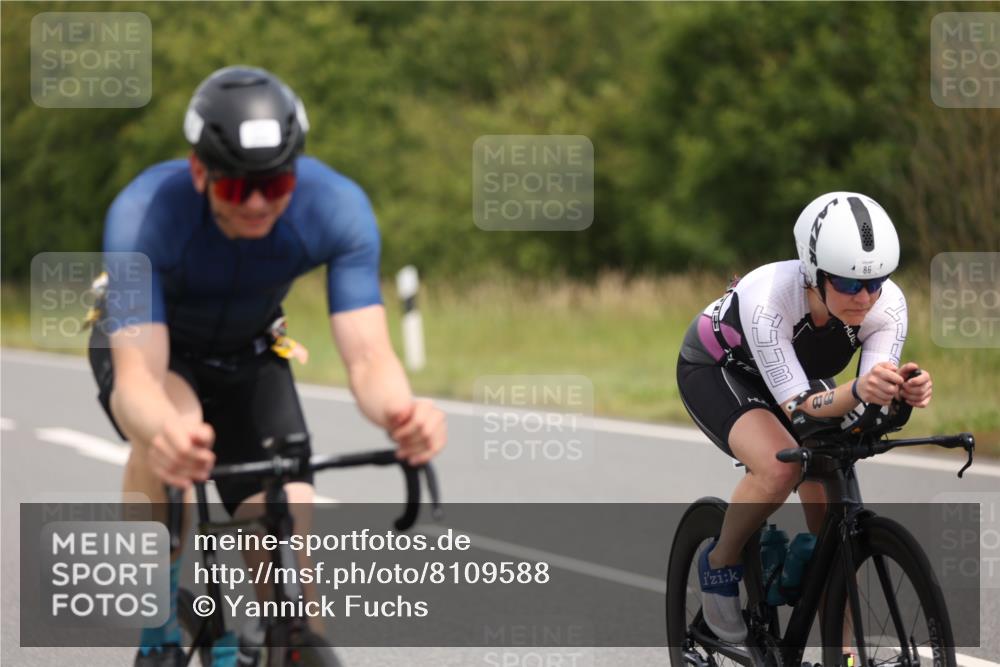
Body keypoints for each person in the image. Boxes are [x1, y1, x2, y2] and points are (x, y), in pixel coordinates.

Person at [87, 66, 447, 667]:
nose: (257, 203)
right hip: (149, 348)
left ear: (296, 173)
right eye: (234, 189)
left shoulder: (337, 207)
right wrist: (162, 436)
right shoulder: (144, 214)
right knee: (173, 425)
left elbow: (368, 355)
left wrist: (403, 415)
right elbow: (137, 382)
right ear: (199, 171)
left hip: (248, 347)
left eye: (275, 184)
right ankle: (157, 630)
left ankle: (283, 641)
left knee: (287, 516)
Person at [674, 192, 933, 649]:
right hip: (721, 369)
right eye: (849, 285)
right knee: (781, 465)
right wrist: (857, 389)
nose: (866, 297)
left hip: (798, 377)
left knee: (836, 511)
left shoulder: (886, 305)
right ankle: (720, 562)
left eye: (875, 282)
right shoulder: (769, 295)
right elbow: (797, 408)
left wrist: (899, 397)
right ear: (814, 273)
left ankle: (846, 653)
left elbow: (861, 412)